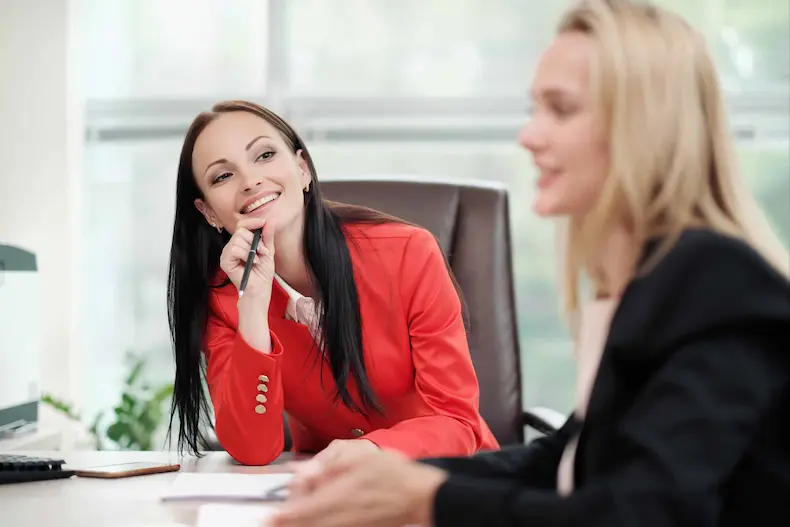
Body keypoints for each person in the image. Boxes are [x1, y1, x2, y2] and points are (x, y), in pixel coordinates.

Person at [267, 0, 790, 525]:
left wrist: (428, 501)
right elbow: (563, 459)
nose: (529, 135)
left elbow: (645, 512)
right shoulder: (648, 282)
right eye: (534, 108)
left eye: (561, 110)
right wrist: (406, 482)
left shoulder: (715, 282)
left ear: (645, 127)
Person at [166, 100, 499, 466]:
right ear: (209, 211)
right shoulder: (223, 298)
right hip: (332, 492)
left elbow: (457, 422)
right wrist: (253, 307)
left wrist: (370, 451)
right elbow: (251, 449)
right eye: (223, 176)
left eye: (264, 155)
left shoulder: (409, 253)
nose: (250, 181)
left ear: (302, 168)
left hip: (445, 479)